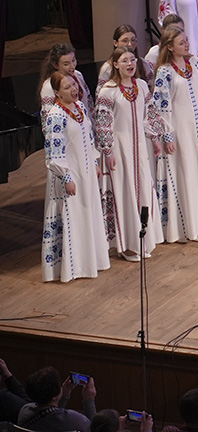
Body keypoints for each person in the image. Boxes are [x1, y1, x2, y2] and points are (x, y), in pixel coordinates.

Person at [149, 26, 198, 242]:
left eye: (187, 40)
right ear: (170, 47)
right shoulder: (165, 72)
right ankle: (187, 227)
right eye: (181, 43)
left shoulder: (196, 64)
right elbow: (161, 106)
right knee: (186, 174)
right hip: (181, 130)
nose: (187, 45)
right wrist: (168, 135)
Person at [41, 72, 111, 282]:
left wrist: (95, 162)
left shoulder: (79, 107)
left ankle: (92, 261)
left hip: (86, 171)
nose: (73, 89)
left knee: (89, 212)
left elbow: (89, 139)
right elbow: (54, 153)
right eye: (67, 87)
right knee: (74, 216)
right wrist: (66, 178)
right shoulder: (56, 116)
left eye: (74, 85)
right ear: (57, 92)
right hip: (71, 174)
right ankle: (75, 267)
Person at [94, 48, 162, 259]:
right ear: (115, 64)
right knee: (125, 192)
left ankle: (143, 240)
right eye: (124, 61)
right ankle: (127, 245)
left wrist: (155, 137)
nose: (130, 64)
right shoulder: (108, 91)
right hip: (120, 148)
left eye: (132, 59)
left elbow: (150, 113)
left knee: (142, 189)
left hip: (139, 146)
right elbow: (103, 124)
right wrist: (108, 151)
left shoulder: (141, 86)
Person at [18, 368, 97, 431]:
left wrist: (64, 396)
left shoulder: (25, 411)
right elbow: (95, 429)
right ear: (54, 396)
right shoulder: (75, 420)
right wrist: (89, 400)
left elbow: (51, 414)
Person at [39, 43, 92, 122]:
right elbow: (48, 119)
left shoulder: (78, 75)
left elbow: (89, 102)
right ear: (56, 65)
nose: (72, 66)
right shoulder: (49, 86)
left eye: (73, 60)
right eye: (66, 64)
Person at [96, 24, 151, 91]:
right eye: (125, 41)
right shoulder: (108, 68)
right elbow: (100, 93)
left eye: (133, 40)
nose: (130, 44)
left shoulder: (143, 64)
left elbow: (151, 87)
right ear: (115, 43)